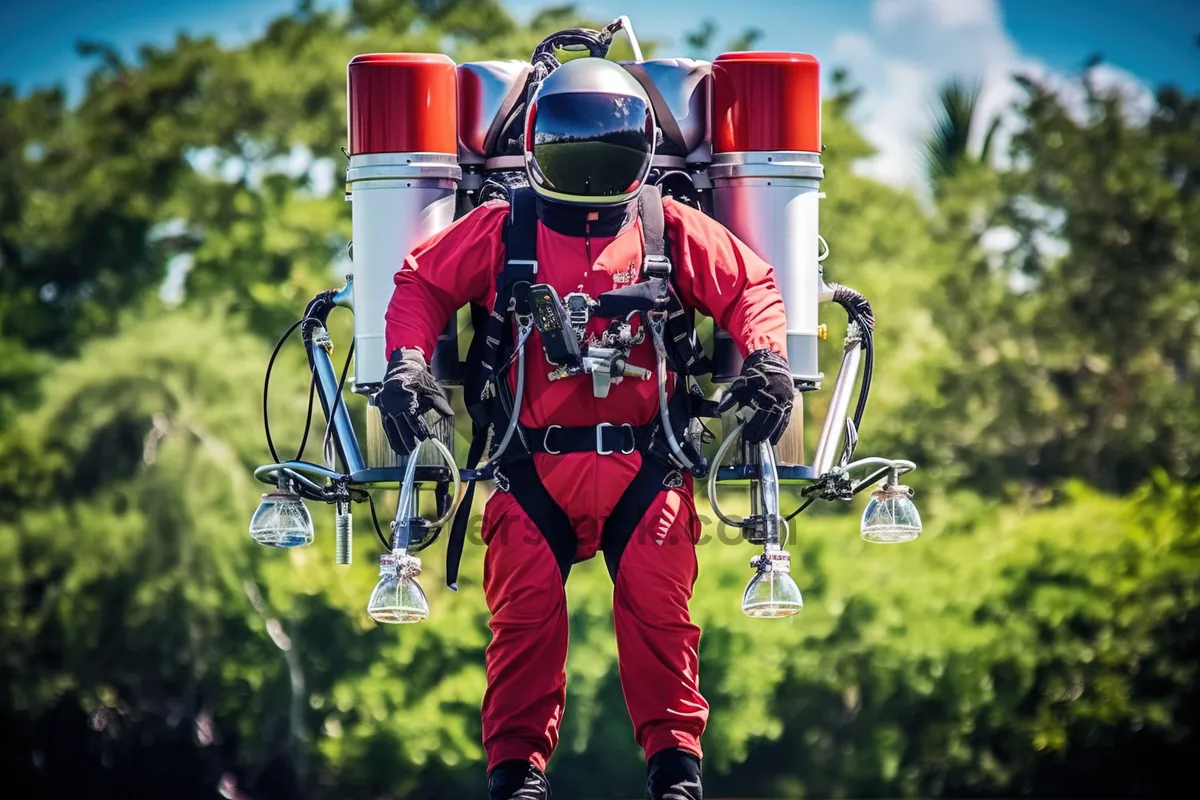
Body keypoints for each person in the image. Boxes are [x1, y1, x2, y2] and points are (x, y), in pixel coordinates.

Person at [374, 56, 793, 800]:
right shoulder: (504, 226)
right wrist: (407, 365)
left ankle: (676, 775)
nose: (591, 162)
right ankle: (518, 778)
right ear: (539, 145)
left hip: (644, 466)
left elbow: (752, 285)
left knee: (662, 619)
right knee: (524, 626)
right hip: (529, 466)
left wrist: (767, 361)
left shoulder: (668, 226)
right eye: (576, 146)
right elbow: (421, 283)